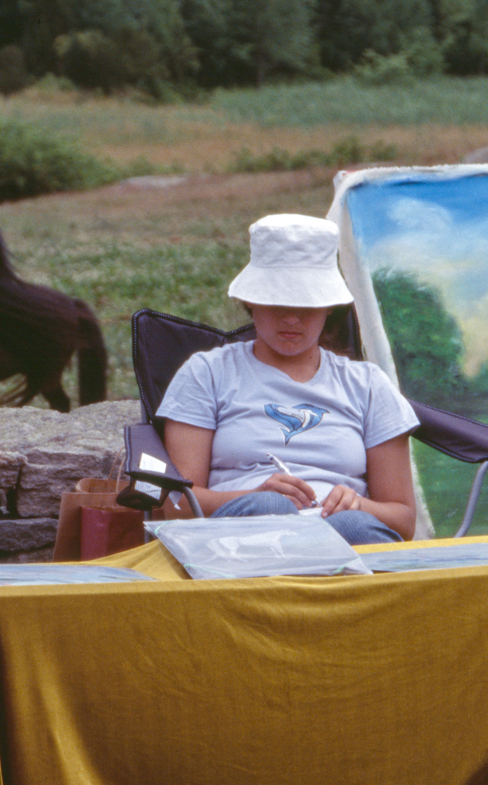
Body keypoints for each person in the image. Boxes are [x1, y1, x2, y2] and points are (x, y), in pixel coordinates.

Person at [155, 213, 419, 546]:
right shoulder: (207, 373)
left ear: (328, 307)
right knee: (270, 507)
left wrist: (359, 504)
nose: (291, 318)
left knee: (354, 525)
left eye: (306, 304)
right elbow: (175, 503)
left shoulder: (367, 385)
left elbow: (404, 521)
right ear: (251, 300)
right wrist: (251, 495)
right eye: (277, 300)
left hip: (345, 536)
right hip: (240, 538)